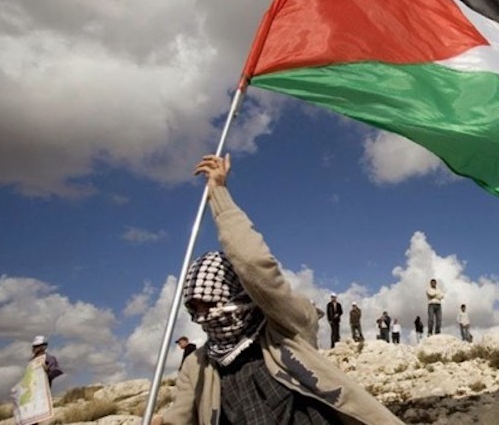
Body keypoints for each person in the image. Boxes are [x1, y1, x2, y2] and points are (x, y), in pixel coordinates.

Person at [153, 154, 402, 425]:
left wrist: (219, 195)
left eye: (211, 304)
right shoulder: (197, 365)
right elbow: (180, 419)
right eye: (196, 309)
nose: (205, 317)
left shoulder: (284, 330)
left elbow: (252, 264)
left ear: (239, 294)